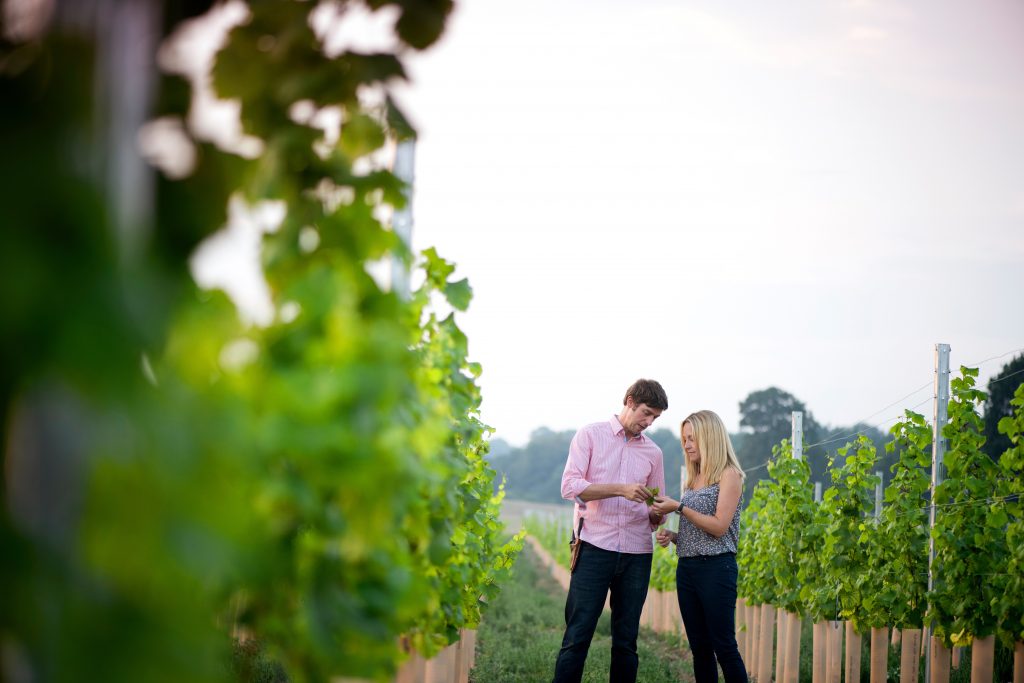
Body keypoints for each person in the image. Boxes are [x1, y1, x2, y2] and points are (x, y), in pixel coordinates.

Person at [551, 378, 669, 683]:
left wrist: (657, 515)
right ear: (629, 401)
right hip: (593, 547)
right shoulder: (590, 435)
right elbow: (570, 486)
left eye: (655, 418)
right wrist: (620, 490)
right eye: (645, 413)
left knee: (627, 642)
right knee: (577, 636)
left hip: (637, 554)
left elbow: (656, 505)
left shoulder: (654, 453)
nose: (648, 422)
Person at [652, 410, 748, 683]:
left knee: (724, 647)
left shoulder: (730, 476)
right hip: (688, 570)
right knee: (700, 649)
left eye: (692, 438)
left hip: (717, 569)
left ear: (710, 437)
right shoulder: (693, 479)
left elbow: (719, 528)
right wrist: (673, 536)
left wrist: (679, 507)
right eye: (684, 439)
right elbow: (698, 532)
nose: (687, 444)